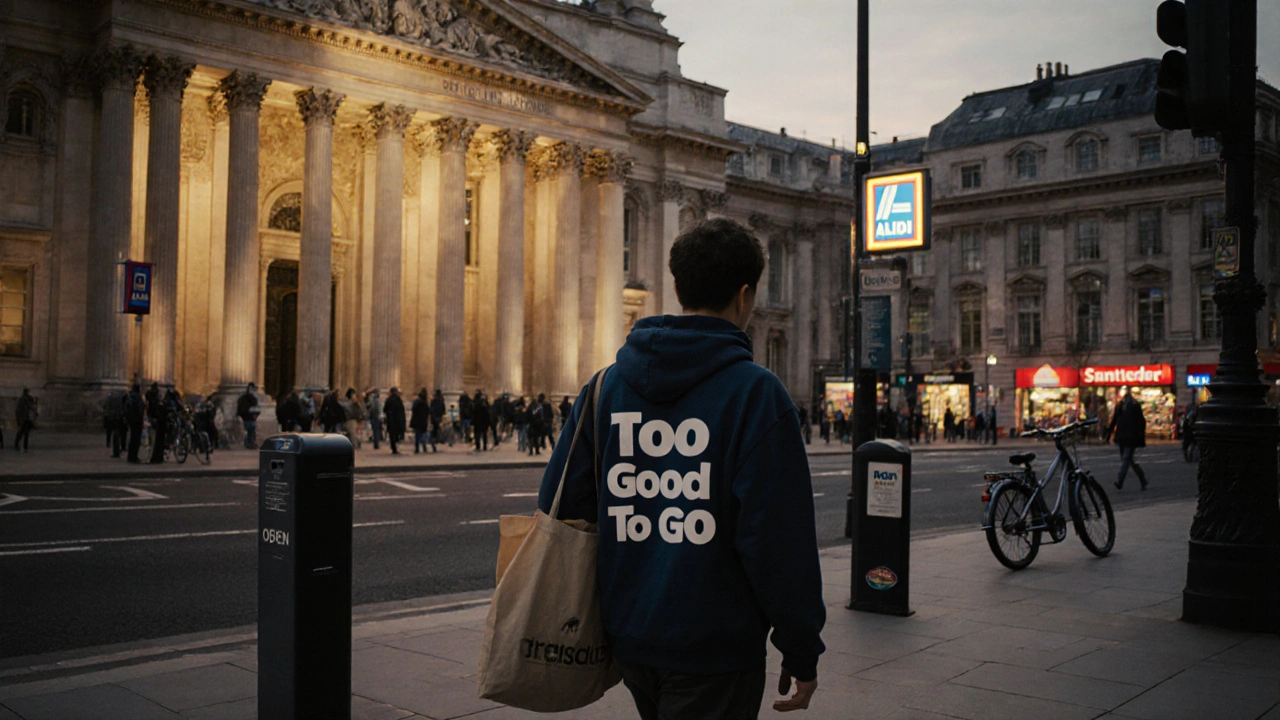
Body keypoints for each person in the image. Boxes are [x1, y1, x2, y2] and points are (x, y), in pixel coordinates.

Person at [537, 218, 825, 718]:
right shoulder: (756, 395)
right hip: (715, 646)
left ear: (677, 286)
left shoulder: (605, 387)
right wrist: (801, 646)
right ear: (744, 296)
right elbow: (779, 540)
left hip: (628, 637)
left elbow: (557, 505)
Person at [1108, 388, 1149, 490]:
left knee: (1126, 459)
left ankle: (1120, 481)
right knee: (1128, 460)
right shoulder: (1126, 405)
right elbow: (1141, 422)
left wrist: (1109, 433)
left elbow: (1115, 420)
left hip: (1127, 437)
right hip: (1127, 437)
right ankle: (1142, 479)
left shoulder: (1126, 406)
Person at [125, 384, 145, 463]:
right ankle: (134, 457)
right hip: (137, 421)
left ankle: (130, 456)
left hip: (131, 420)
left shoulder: (129, 397)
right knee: (136, 439)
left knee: (132, 438)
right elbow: (140, 410)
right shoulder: (138, 398)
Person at [103, 390, 127, 458]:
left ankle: (116, 451)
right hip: (120, 419)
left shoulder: (109, 399)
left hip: (112, 419)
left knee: (114, 434)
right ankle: (122, 447)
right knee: (121, 435)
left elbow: (106, 408)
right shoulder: (122, 400)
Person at [237, 383, 260, 449]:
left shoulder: (248, 398)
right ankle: (249, 443)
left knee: (251, 431)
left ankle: (251, 443)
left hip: (250, 417)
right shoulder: (246, 398)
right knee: (248, 431)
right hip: (247, 417)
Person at [384, 387, 406, 454]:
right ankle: (395, 446)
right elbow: (402, 411)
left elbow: (385, 409)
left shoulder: (388, 400)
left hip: (391, 420)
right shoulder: (398, 400)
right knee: (397, 434)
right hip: (398, 420)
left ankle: (393, 448)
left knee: (392, 435)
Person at [411, 389, 434, 453]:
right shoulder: (425, 404)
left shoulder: (416, 403)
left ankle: (417, 448)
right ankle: (426, 447)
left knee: (417, 436)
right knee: (425, 435)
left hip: (416, 421)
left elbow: (413, 411)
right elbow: (428, 412)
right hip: (423, 421)